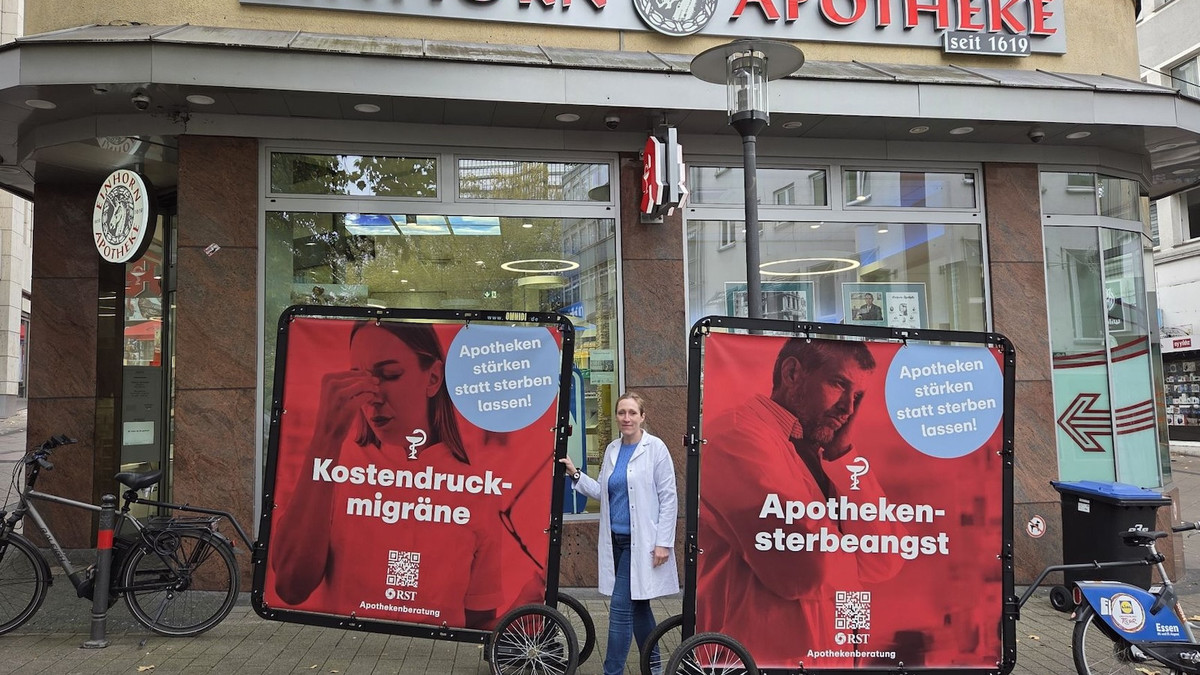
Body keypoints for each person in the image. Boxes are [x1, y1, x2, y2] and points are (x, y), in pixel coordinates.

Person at [270, 321, 502, 630]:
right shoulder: (336, 464)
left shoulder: (475, 488)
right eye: (359, 379)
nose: (372, 396)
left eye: (390, 375)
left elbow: (480, 620)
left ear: (433, 377)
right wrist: (325, 439)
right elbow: (290, 586)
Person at [695, 339, 904, 667]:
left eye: (858, 397)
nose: (848, 408)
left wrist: (844, 456)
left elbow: (882, 559)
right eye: (838, 384)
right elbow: (802, 568)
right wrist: (846, 547)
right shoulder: (735, 436)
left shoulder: (824, 453)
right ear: (792, 373)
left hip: (829, 658)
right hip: (759, 661)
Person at [559, 393, 679, 675]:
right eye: (622, 413)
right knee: (639, 608)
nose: (626, 418)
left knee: (620, 610)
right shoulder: (613, 449)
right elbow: (605, 492)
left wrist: (664, 543)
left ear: (642, 416)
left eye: (632, 413)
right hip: (616, 540)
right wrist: (576, 475)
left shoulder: (656, 449)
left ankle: (611, 671)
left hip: (642, 543)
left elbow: (669, 498)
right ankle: (655, 668)